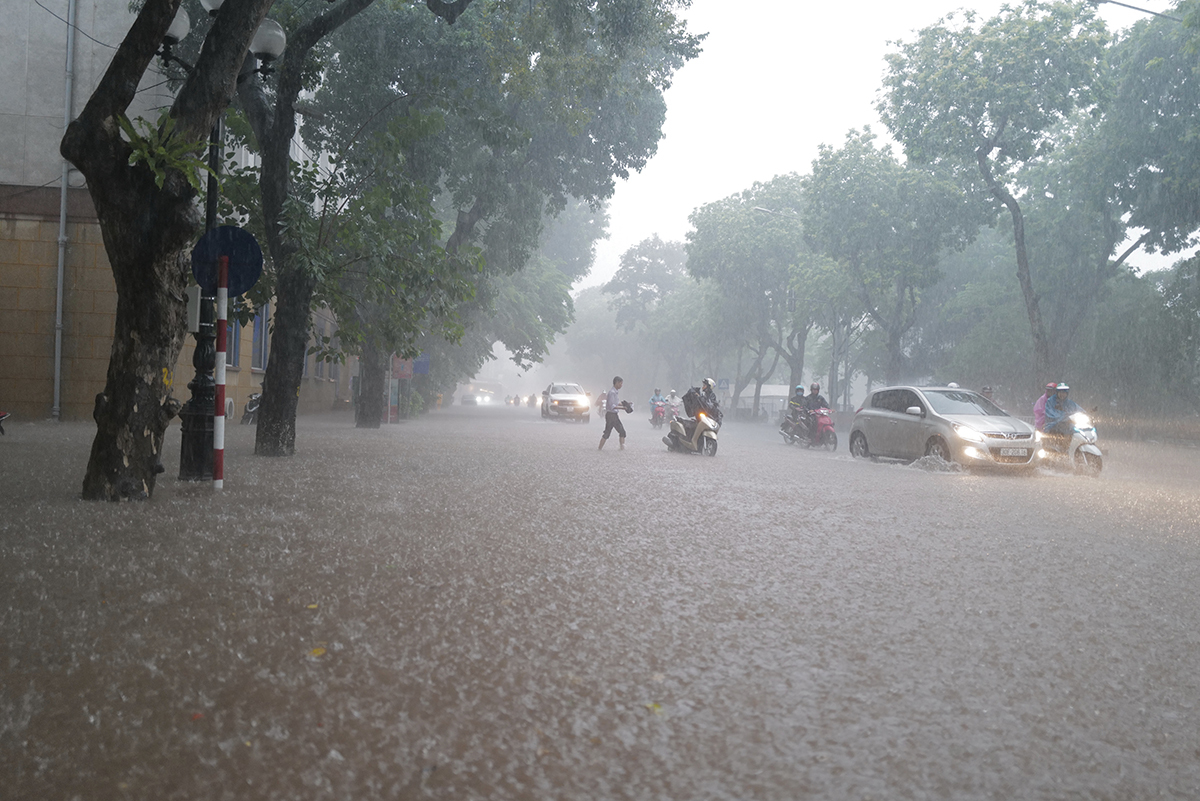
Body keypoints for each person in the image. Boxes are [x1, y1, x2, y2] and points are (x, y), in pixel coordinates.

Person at [599, 375, 628, 450]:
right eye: (621, 383)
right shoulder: (612, 393)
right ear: (617, 383)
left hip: (612, 415)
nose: (621, 385)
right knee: (620, 432)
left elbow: (617, 403)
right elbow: (612, 406)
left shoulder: (615, 392)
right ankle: (622, 449)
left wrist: (626, 404)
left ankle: (599, 449)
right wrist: (623, 408)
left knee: (609, 433)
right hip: (611, 415)